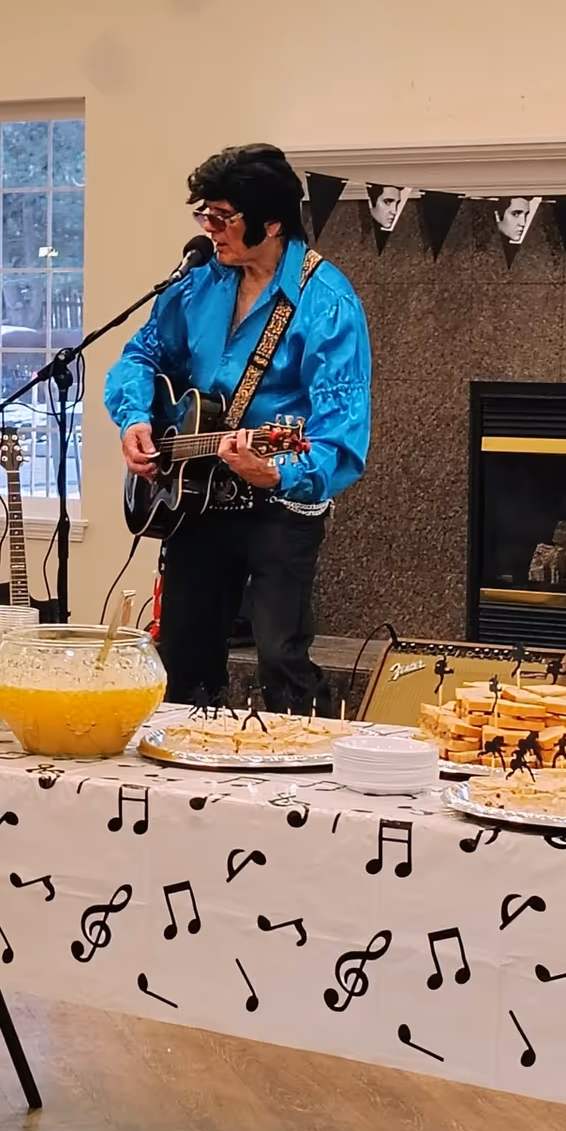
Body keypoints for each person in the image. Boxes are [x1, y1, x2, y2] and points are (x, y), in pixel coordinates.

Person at [106, 144, 372, 712]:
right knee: (181, 658)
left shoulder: (326, 304)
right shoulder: (199, 283)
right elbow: (141, 356)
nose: (210, 230)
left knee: (281, 656)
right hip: (194, 500)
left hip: (278, 503)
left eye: (223, 219)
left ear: (271, 223)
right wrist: (135, 418)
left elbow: (340, 440)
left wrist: (276, 468)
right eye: (204, 216)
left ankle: (299, 783)